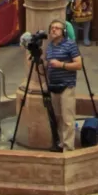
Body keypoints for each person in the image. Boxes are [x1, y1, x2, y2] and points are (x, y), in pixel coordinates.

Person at [41, 18, 81, 152]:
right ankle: (61, 143)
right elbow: (48, 65)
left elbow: (78, 64)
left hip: (67, 85)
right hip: (54, 86)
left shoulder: (70, 45)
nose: (53, 30)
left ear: (63, 31)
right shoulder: (50, 46)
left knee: (67, 118)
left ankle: (68, 148)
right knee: (57, 117)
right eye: (52, 28)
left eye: (57, 28)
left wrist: (61, 65)